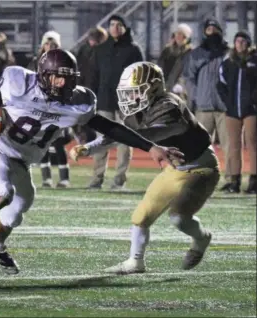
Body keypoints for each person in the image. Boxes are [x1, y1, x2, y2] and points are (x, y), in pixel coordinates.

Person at [0, 49, 184, 278]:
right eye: (57, 77)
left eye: (67, 78)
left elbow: (110, 127)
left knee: (18, 209)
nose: (62, 83)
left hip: (23, 161)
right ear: (44, 75)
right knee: (2, 193)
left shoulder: (79, 103)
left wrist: (151, 147)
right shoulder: (19, 84)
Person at [71, 62, 219, 274]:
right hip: (174, 168)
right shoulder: (137, 112)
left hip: (201, 167)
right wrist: (89, 147)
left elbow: (162, 131)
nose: (131, 98)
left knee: (178, 218)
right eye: (128, 93)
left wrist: (139, 140)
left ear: (154, 88)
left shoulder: (169, 105)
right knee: (141, 216)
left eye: (137, 92)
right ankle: (135, 261)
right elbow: (118, 135)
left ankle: (201, 238)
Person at [88, 14, 144, 190]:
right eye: (112, 24)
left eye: (119, 24)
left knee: (124, 143)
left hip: (125, 103)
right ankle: (96, 180)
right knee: (100, 142)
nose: (115, 27)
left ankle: (119, 181)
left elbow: (140, 76)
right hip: (103, 101)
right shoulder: (101, 50)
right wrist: (91, 99)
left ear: (125, 28)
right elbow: (94, 76)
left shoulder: (134, 50)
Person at [183, 18, 230, 189]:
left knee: (229, 145)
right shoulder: (196, 54)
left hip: (225, 108)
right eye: (208, 29)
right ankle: (197, 178)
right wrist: (196, 97)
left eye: (214, 29)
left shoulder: (228, 53)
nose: (211, 32)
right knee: (199, 146)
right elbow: (189, 78)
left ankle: (231, 179)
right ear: (204, 32)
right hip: (203, 107)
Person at [27, 31, 72, 188]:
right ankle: (46, 178)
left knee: (59, 142)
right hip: (40, 105)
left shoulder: (65, 61)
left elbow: (70, 83)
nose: (50, 47)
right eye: (47, 43)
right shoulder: (35, 62)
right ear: (42, 45)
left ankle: (64, 178)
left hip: (57, 104)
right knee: (42, 141)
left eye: (53, 44)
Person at [217, 30, 257, 194]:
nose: (239, 44)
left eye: (243, 41)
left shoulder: (254, 61)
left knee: (253, 144)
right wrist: (228, 102)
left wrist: (254, 100)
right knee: (233, 146)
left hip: (251, 110)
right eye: (237, 41)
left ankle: (254, 181)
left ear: (248, 43)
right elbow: (221, 84)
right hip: (232, 110)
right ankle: (234, 181)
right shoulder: (228, 62)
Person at [157, 23, 192, 101]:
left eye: (181, 35)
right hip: (165, 88)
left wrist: (181, 84)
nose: (178, 37)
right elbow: (159, 67)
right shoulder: (167, 50)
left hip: (180, 91)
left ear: (186, 37)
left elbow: (188, 72)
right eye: (177, 34)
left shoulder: (190, 52)